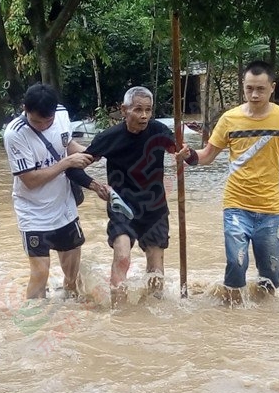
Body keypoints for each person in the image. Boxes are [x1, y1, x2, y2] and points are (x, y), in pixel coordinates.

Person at [186, 60, 279, 302]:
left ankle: (263, 322)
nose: (254, 94)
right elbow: (206, 156)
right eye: (249, 89)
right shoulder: (229, 119)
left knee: (269, 276)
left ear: (272, 88)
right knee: (236, 265)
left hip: (270, 208)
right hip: (235, 205)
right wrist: (188, 156)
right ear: (243, 87)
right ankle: (234, 319)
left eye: (260, 89)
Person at [84, 85, 198, 303]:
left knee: (156, 267)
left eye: (148, 110)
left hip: (154, 208)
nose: (144, 116)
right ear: (124, 109)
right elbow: (75, 167)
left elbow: (189, 158)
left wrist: (186, 154)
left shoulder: (158, 131)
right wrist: (95, 185)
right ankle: (118, 311)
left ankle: (152, 317)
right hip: (122, 207)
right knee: (123, 257)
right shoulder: (109, 137)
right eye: (138, 110)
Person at [3, 83, 108, 300]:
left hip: (64, 207)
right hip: (33, 211)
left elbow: (66, 144)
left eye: (47, 122)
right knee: (40, 272)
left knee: (72, 275)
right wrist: (67, 163)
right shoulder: (15, 134)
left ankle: (72, 313)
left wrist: (95, 154)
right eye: (36, 122)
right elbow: (30, 180)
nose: (42, 126)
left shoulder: (61, 114)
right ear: (25, 109)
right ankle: (34, 321)